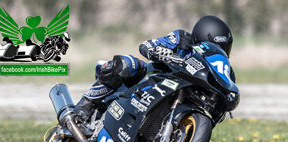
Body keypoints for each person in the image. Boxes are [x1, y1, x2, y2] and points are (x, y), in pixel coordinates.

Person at [74, 15, 235, 123]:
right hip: (149, 79)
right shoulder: (181, 39)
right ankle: (85, 106)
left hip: (176, 103)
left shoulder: (225, 72)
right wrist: (160, 52)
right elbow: (147, 45)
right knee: (126, 63)